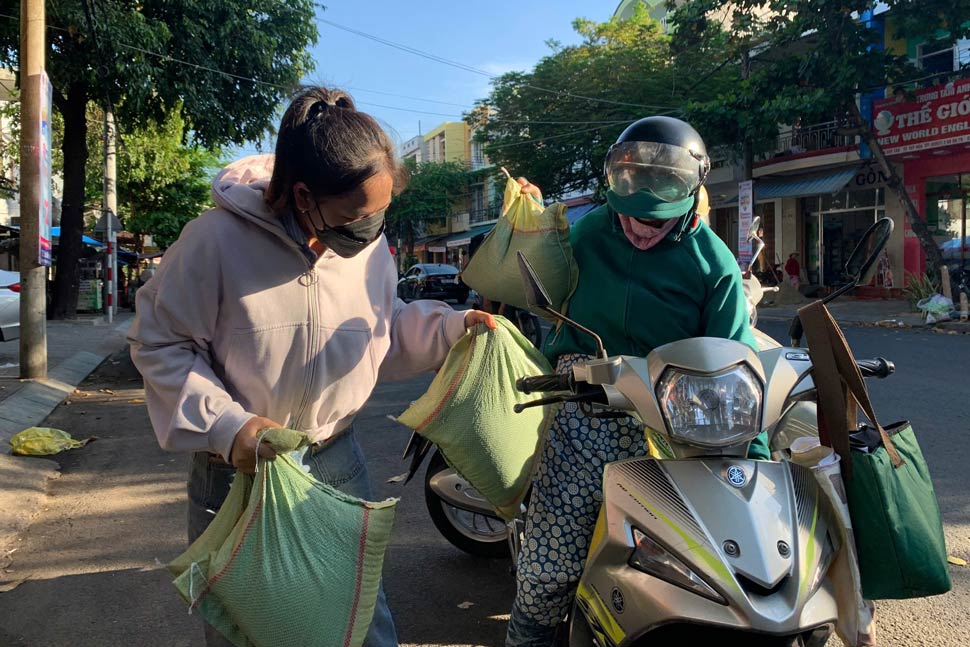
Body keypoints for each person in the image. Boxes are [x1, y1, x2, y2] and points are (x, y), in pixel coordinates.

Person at [127, 86, 495, 647]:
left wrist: (450, 328)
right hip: (237, 475)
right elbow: (161, 343)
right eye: (356, 215)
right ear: (303, 196)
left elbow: (381, 330)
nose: (371, 229)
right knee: (249, 631)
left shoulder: (366, 250)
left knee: (360, 625)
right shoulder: (214, 242)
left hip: (333, 463)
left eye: (381, 211)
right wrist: (230, 427)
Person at [506, 116, 768, 646]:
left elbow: (736, 360)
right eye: (628, 215)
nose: (639, 228)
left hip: (675, 424)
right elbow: (522, 273)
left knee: (694, 567)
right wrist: (524, 218)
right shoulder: (585, 232)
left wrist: (753, 457)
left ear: (690, 197)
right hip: (585, 408)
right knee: (548, 564)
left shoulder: (712, 262)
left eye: (655, 220)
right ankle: (527, 636)